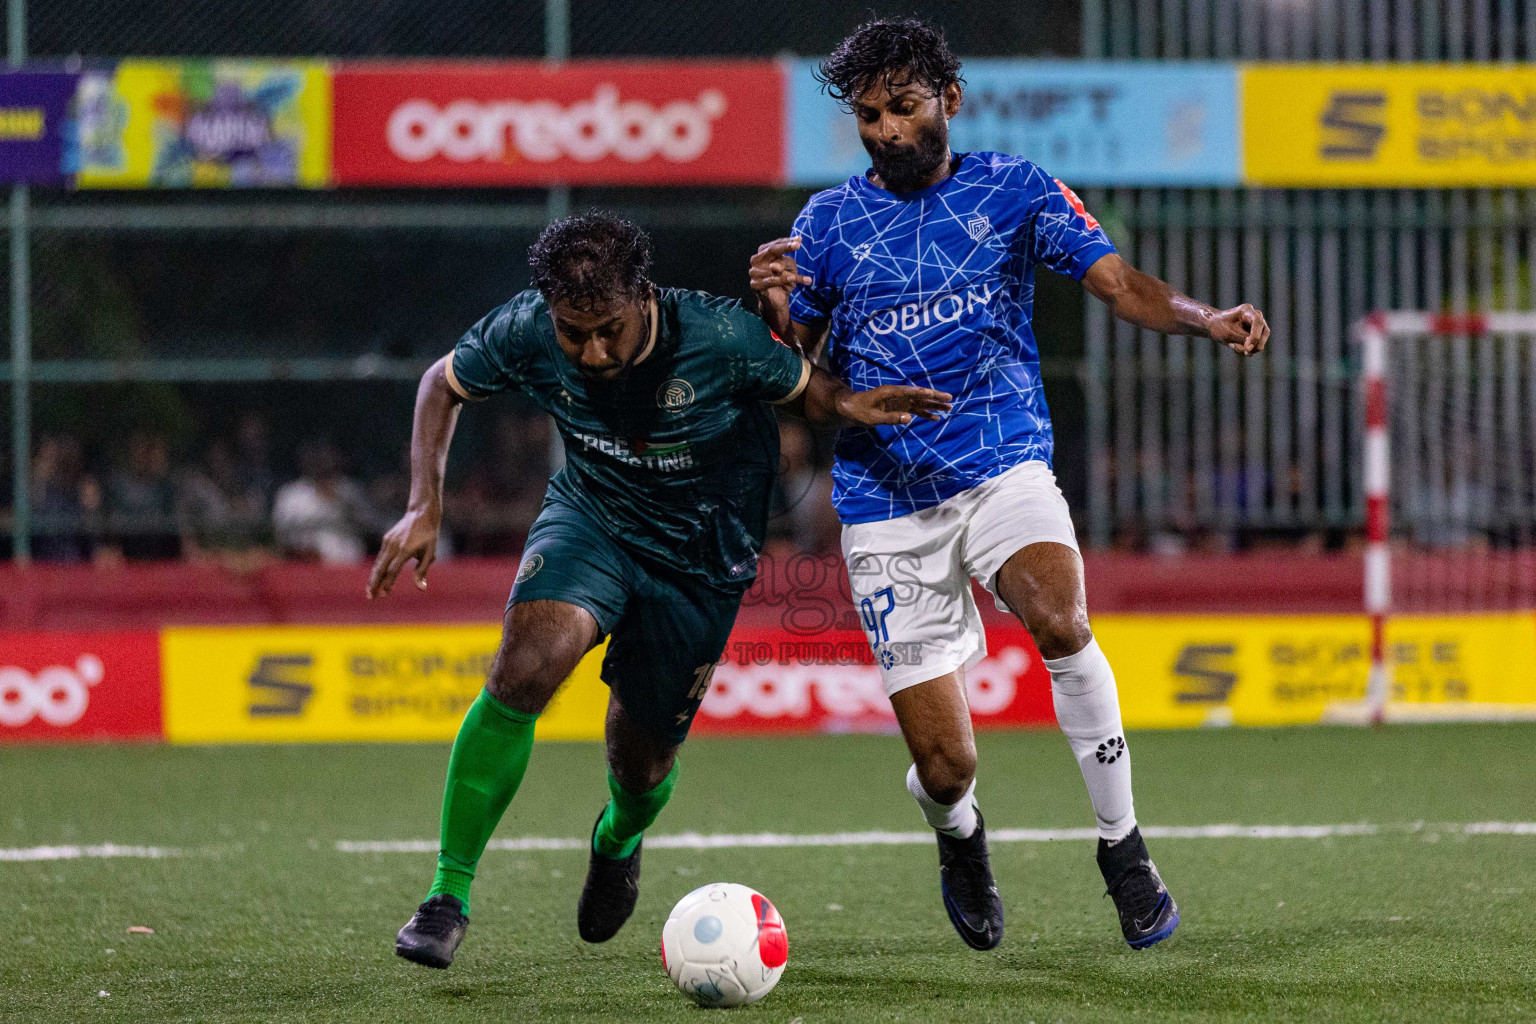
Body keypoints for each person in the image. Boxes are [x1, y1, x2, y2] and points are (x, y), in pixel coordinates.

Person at [749, 17, 1269, 952]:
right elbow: (805, 378)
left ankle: (1124, 848)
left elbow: (1119, 286)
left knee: (1061, 619)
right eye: (868, 116)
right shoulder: (826, 224)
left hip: (1003, 467)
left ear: (948, 99)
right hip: (884, 504)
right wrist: (780, 310)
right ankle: (958, 836)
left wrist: (1205, 316)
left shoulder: (1016, 189)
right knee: (947, 767)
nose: (886, 131)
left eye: (902, 108)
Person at [368, 213, 948, 969]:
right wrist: (424, 503)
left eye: (607, 328)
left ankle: (618, 838)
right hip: (592, 520)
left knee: (639, 762)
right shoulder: (525, 331)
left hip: (702, 558)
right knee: (523, 670)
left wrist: (850, 403)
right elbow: (438, 385)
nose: (593, 350)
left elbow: (808, 390)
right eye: (574, 333)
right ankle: (448, 894)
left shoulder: (717, 335)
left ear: (642, 295)